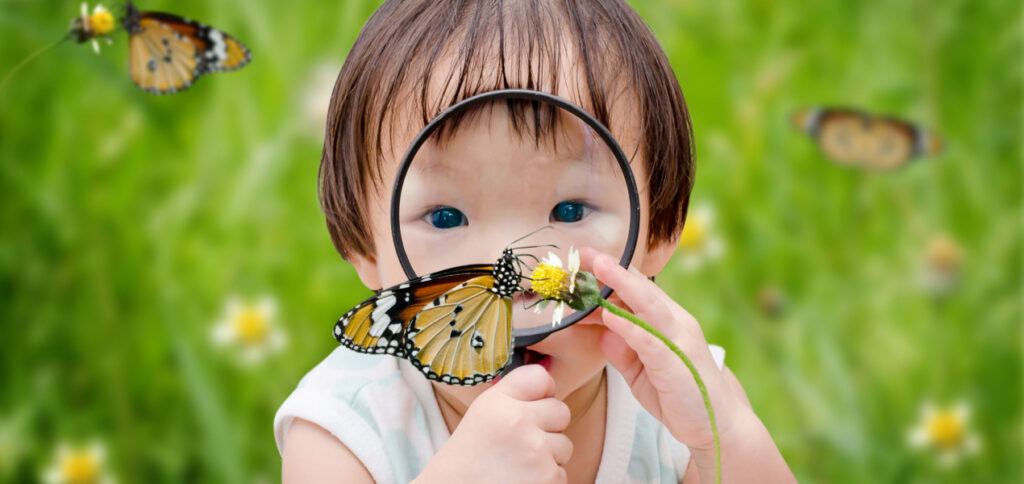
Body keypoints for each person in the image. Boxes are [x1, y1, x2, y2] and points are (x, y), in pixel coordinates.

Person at [275, 1, 796, 482]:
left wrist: (722, 436)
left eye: (569, 211)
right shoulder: (343, 430)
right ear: (363, 244)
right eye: (445, 216)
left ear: (658, 226)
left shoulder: (681, 397)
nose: (516, 282)